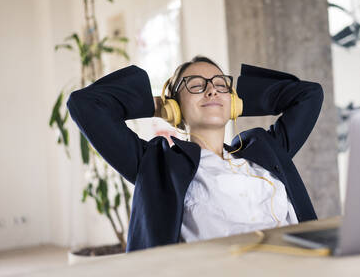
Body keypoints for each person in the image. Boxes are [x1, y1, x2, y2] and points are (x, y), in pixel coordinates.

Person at [67, 56, 324, 253]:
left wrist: (235, 102)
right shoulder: (157, 164)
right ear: (175, 106)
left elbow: (309, 95)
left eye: (220, 85)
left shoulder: (266, 150)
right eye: (196, 86)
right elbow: (85, 104)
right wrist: (160, 106)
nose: (211, 90)